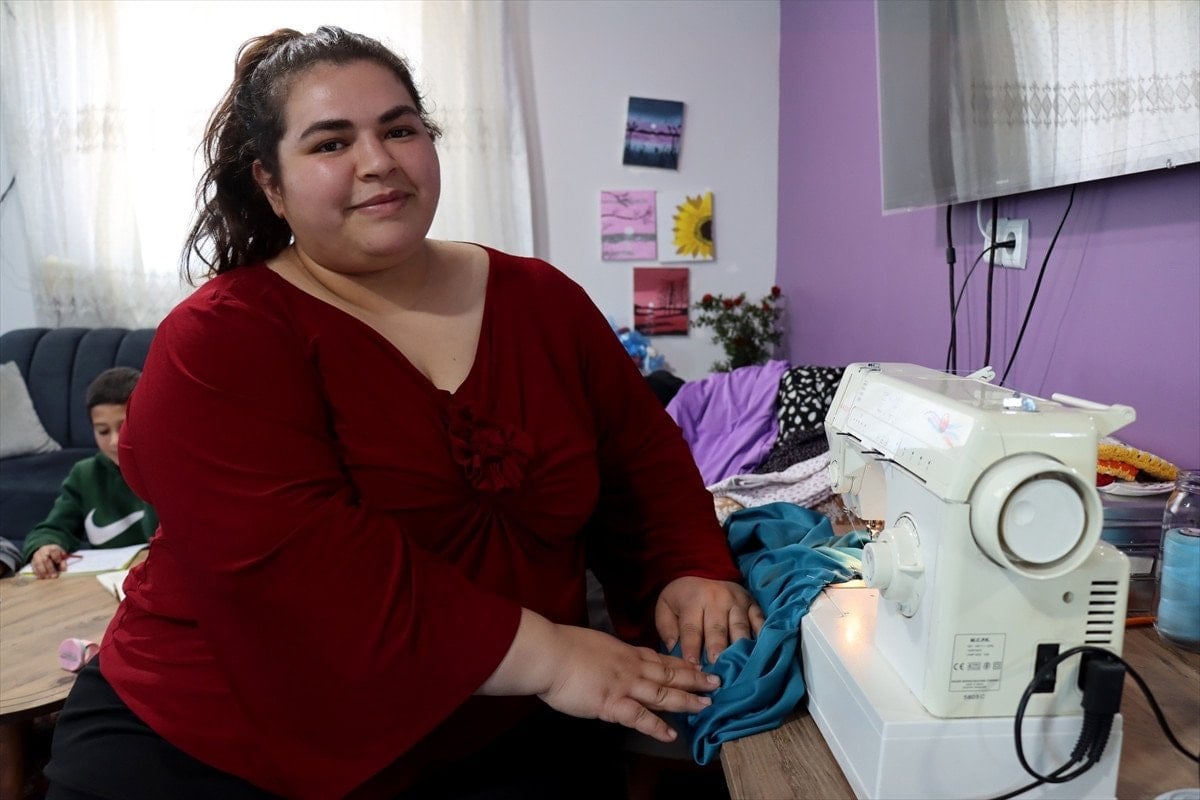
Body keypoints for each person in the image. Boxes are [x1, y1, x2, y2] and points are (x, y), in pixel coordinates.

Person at [45, 26, 763, 800]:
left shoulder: (543, 300)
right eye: (330, 143)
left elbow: (640, 461)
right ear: (270, 183)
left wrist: (689, 567)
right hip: (225, 744)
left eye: (399, 129)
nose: (378, 161)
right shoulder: (219, 338)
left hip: (498, 725)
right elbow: (313, 573)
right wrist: (555, 658)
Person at [21, 367, 157, 579]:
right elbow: (54, 528)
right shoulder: (85, 475)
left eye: (125, 427)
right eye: (103, 431)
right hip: (111, 586)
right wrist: (45, 546)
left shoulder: (172, 469)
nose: (115, 441)